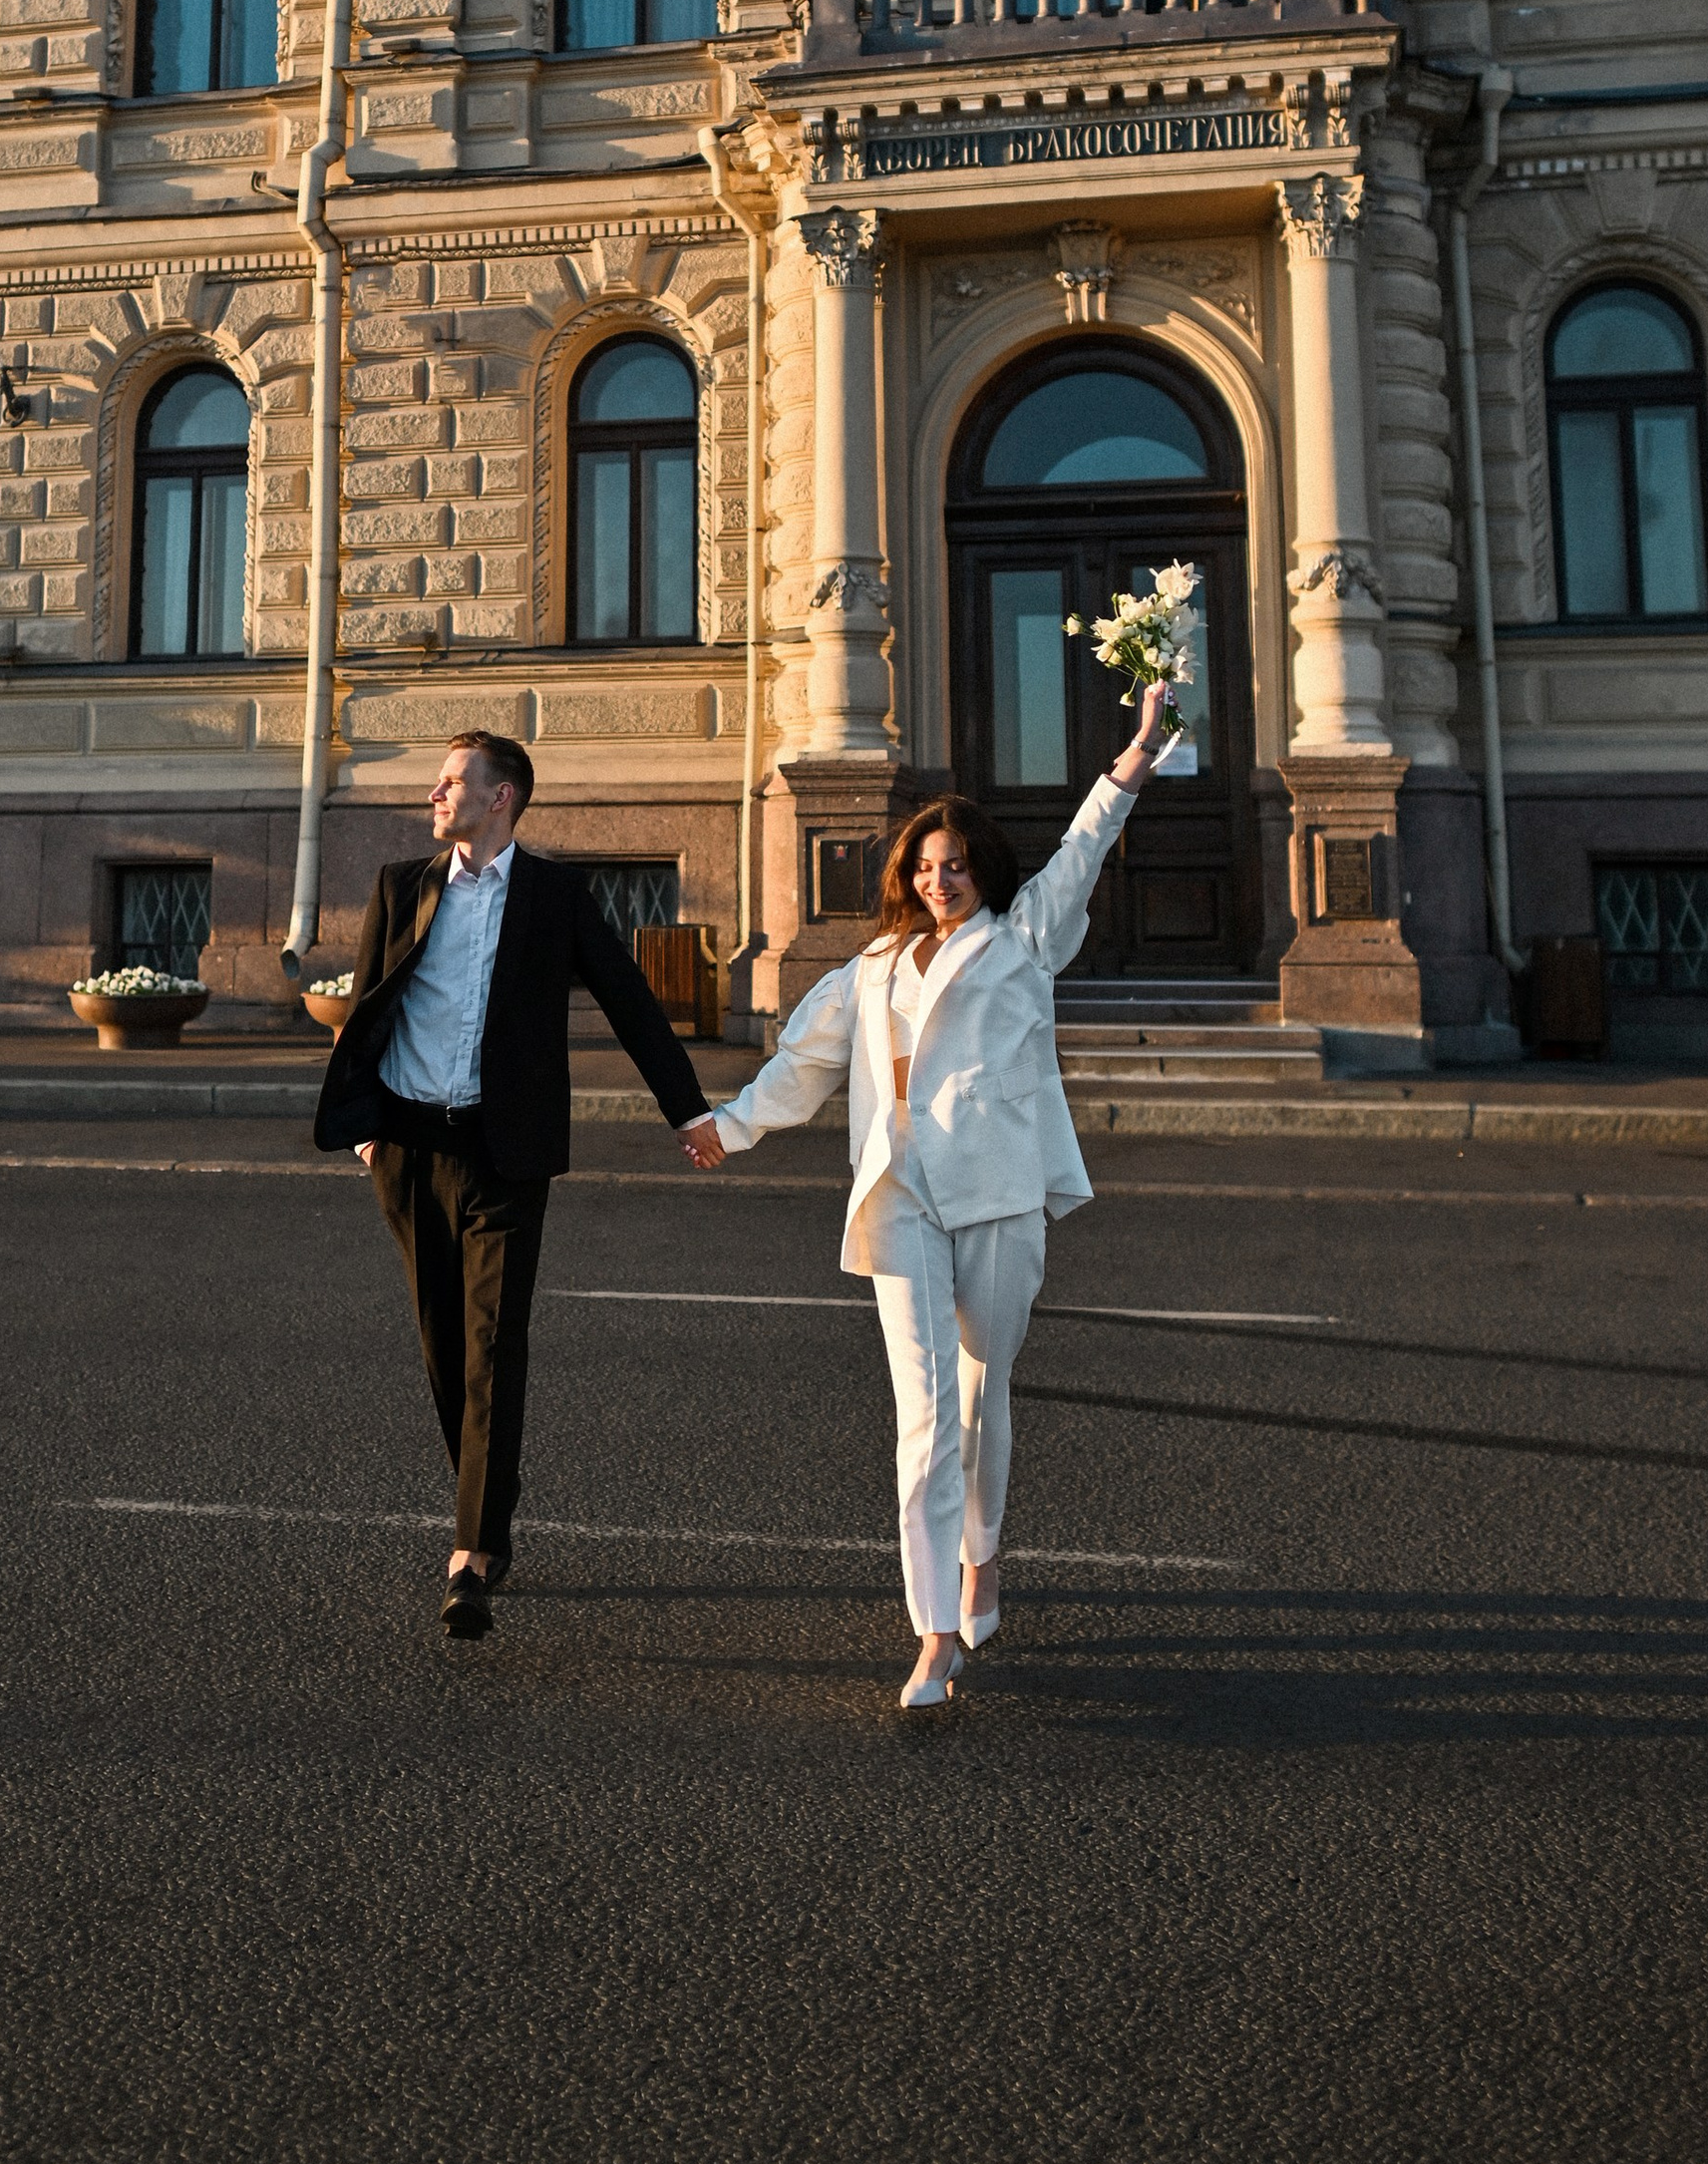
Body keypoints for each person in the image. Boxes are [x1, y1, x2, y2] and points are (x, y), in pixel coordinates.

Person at [681, 679, 1174, 1710]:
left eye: (954, 865)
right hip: (896, 1190)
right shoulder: (871, 965)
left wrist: (1135, 751)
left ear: (980, 871)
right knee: (922, 1411)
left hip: (996, 1192)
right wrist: (727, 1126)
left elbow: (1082, 846)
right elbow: (802, 1062)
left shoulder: (1025, 938)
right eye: (924, 865)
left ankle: (981, 1555)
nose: (939, 878)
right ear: (906, 875)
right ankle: (934, 1630)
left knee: (982, 1395)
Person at [316, 729, 712, 1639]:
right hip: (411, 1147)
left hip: (507, 1151)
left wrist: (688, 1112)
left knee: (494, 1343)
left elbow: (630, 1000)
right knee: (442, 1341)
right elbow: (365, 1007)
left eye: (455, 780)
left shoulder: (555, 896)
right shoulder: (401, 886)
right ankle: (488, 1494)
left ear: (503, 798)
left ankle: (473, 1551)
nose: (436, 792)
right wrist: (367, 1132)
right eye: (440, 779)